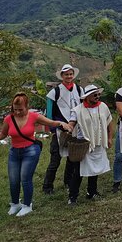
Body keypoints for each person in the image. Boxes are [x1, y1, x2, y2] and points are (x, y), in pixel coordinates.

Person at [0, 93, 72, 216]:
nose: (17, 112)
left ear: (26, 106)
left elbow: (50, 123)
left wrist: (61, 123)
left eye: (20, 109)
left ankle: (27, 205)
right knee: (13, 180)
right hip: (14, 152)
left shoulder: (33, 116)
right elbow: (3, 133)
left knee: (25, 178)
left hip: (30, 150)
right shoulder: (9, 119)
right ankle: (15, 204)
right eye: (15, 109)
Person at [68, 85, 114, 206]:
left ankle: (91, 192)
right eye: (95, 95)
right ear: (86, 96)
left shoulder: (103, 107)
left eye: (98, 94)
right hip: (84, 145)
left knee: (95, 168)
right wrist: (67, 128)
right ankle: (73, 197)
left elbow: (110, 122)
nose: (97, 96)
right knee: (78, 171)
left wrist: (109, 138)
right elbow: (71, 123)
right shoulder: (78, 110)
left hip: (99, 142)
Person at [42, 64, 83, 195]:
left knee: (72, 157)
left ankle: (68, 181)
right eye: (66, 74)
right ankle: (47, 186)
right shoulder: (55, 92)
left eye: (71, 74)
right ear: (62, 76)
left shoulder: (79, 89)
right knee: (55, 159)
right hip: (59, 129)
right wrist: (53, 129)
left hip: (75, 127)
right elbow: (49, 113)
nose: (69, 76)